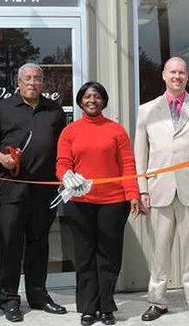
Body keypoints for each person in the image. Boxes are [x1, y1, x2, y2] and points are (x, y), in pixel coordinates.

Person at [135, 57, 189, 322]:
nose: (177, 76)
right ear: (163, 75)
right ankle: (157, 300)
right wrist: (142, 189)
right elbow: (140, 154)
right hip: (158, 189)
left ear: (188, 77)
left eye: (182, 72)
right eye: (172, 72)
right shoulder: (146, 110)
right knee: (159, 250)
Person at [56, 82, 143, 326]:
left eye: (96, 96)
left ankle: (106, 306)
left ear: (103, 101)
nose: (91, 100)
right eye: (86, 96)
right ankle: (87, 307)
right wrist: (66, 176)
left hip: (113, 203)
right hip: (80, 202)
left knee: (109, 255)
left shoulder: (116, 130)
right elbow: (62, 163)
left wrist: (133, 194)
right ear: (80, 101)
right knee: (84, 256)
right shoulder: (69, 131)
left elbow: (127, 164)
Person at [0, 63, 67, 322]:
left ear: (43, 83)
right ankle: (9, 299)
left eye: (37, 79)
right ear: (18, 82)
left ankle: (38, 295)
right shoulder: (3, 108)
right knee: (10, 245)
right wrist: (1, 158)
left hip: (44, 191)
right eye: (28, 79)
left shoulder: (54, 110)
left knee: (39, 244)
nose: (33, 83)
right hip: (11, 189)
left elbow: (62, 148)